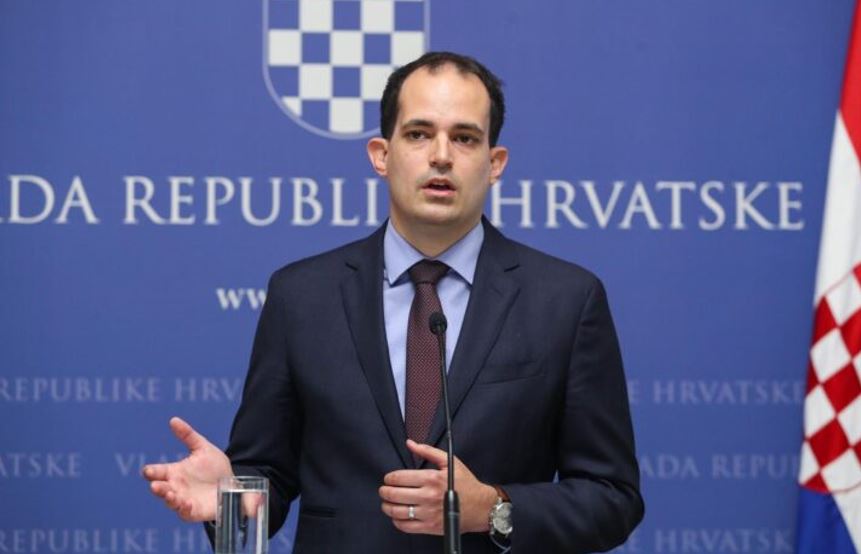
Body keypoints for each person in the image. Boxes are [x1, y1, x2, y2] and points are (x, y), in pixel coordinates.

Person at [143, 51, 644, 553]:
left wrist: (494, 508)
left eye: (465, 138)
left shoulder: (566, 301)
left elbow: (611, 497)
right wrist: (231, 497)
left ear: (495, 164)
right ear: (381, 155)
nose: (441, 156)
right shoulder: (301, 296)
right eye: (419, 134)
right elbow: (266, 475)